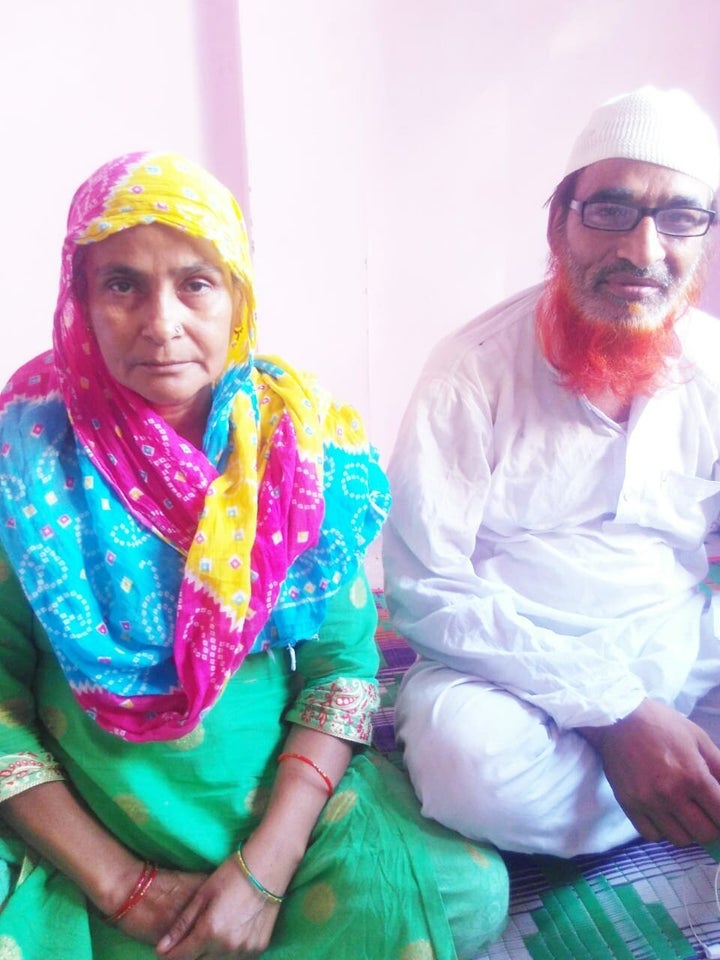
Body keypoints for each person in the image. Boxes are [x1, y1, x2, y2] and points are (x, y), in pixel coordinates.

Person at [0, 152, 508, 959]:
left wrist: (264, 872)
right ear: (81, 300)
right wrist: (121, 886)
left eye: (195, 283)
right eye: (122, 283)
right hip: (83, 844)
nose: (161, 322)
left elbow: (341, 672)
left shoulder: (298, 454)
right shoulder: (25, 467)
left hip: (274, 835)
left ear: (237, 296)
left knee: (469, 890)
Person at [383, 86, 720, 859]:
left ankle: (664, 779)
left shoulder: (713, 366)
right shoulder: (472, 370)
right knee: (465, 767)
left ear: (704, 236)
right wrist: (615, 716)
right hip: (512, 672)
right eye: (611, 209)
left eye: (680, 217)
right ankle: (675, 786)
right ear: (559, 223)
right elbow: (423, 589)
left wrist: (653, 699)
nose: (642, 250)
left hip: (676, 653)